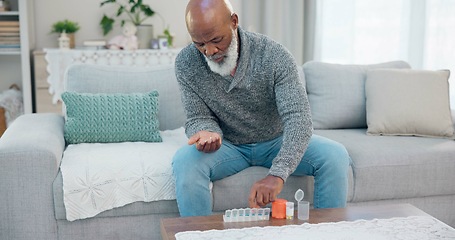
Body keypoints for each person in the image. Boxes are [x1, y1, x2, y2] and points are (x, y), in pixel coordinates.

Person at [172, 0, 350, 217]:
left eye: (216, 40)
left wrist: (278, 174)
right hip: (228, 146)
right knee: (185, 161)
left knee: (335, 155)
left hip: (276, 140)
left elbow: (299, 120)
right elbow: (197, 117)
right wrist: (208, 132)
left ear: (234, 22)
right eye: (199, 43)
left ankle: (329, 233)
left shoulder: (274, 55)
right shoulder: (186, 62)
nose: (209, 50)